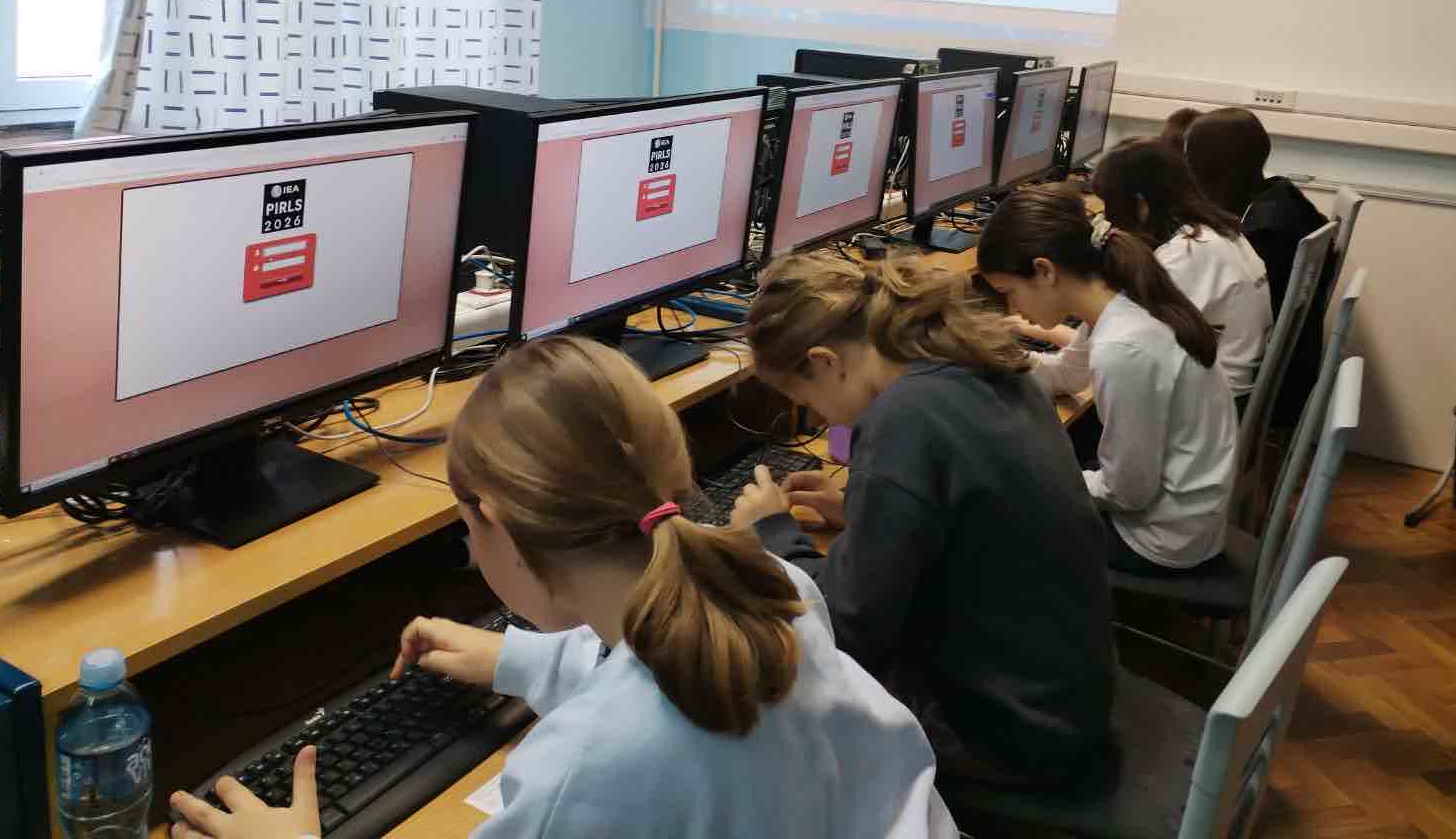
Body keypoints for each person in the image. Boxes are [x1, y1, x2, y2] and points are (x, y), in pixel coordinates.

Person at [168, 336, 957, 839]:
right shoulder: (772, 583)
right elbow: (670, 664)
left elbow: (637, 728)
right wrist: (519, 660)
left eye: (465, 529)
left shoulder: (581, 768)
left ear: (493, 520)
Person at [730, 251, 1116, 791]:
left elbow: (846, 630)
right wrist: (864, 507)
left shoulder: (903, 418)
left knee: (761, 678)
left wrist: (772, 532)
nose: (818, 418)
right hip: (1066, 695)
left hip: (1012, 734)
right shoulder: (975, 359)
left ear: (825, 361)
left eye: (805, 399)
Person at [977, 184, 1238, 575]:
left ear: (1045, 271)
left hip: (1158, 538)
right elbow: (1067, 375)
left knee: (989, 517)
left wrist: (1033, 479)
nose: (1011, 308)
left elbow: (1127, 493)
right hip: (1180, 512)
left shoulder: (1123, 347)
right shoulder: (1117, 299)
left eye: (1008, 292)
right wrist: (990, 357)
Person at [1091, 137, 1272, 397]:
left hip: (1214, 400)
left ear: (1141, 204)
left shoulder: (1187, 255)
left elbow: (1123, 341)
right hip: (1223, 387)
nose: (1108, 218)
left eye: (1110, 205)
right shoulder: (1213, 232)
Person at [1184, 107, 1330, 425]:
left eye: (1190, 161)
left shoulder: (1265, 232)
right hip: (1281, 369)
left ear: (1211, 169)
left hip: (1256, 390)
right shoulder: (1283, 196)